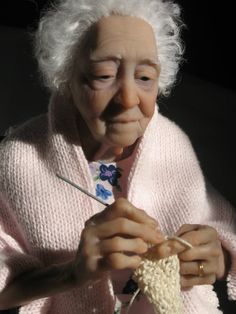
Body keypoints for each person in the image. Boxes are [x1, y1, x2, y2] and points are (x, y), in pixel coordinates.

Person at [0, 0, 235, 313]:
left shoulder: (172, 145)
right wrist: (71, 273)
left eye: (145, 78)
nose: (128, 98)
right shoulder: (19, 158)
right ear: (67, 78)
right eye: (104, 75)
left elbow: (223, 224)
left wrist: (220, 257)